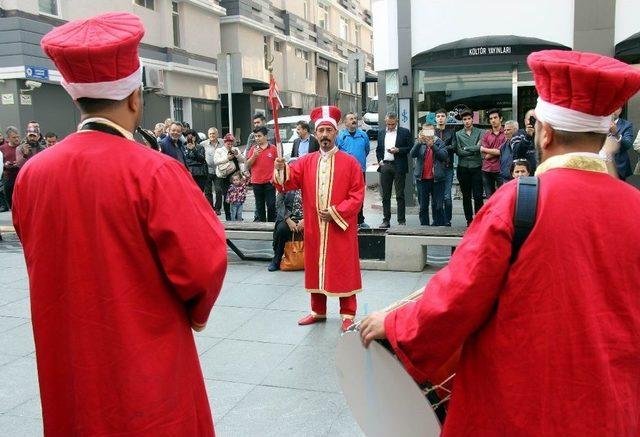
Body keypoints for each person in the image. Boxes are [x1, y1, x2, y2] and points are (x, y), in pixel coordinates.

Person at [359, 49, 640, 437]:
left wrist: (394, 323)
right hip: (614, 410)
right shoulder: (635, 207)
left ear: (545, 132)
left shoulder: (517, 199)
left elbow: (458, 296)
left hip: (522, 407)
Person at [12, 13, 227, 437]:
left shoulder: (32, 174)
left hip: (68, 355)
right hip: (144, 352)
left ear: (76, 99)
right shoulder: (155, 171)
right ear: (134, 98)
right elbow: (204, 262)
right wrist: (196, 314)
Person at [274, 105, 365, 332]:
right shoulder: (306, 161)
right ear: (316, 134)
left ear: (336, 133)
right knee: (314, 266)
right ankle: (318, 311)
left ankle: (347, 313)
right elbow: (288, 182)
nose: (325, 135)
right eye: (321, 131)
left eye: (329, 130)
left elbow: (357, 195)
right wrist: (281, 168)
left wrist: (336, 211)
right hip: (314, 227)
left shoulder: (350, 162)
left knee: (344, 268)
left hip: (340, 227)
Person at [376, 112, 412, 228]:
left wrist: (398, 150)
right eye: (389, 124)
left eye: (393, 124)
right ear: (385, 121)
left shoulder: (404, 132)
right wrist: (380, 160)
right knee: (385, 195)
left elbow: (410, 147)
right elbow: (378, 149)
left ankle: (401, 220)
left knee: (400, 194)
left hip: (399, 165)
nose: (391, 126)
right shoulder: (381, 132)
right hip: (385, 165)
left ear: (397, 121)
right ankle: (386, 220)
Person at [337, 112, 370, 228]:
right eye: (351, 119)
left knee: (359, 196)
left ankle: (360, 220)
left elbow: (366, 150)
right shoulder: (340, 136)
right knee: (345, 195)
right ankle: (347, 219)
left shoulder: (363, 135)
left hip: (360, 171)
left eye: (355, 118)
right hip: (345, 172)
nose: (354, 120)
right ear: (345, 123)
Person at [410, 126, 448, 226]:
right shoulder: (419, 142)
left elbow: (444, 156)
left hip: (437, 179)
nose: (428, 133)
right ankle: (424, 226)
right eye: (425, 130)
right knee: (423, 206)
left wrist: (433, 146)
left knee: (438, 206)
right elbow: (412, 154)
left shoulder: (439, 142)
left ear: (433, 131)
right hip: (422, 179)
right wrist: (419, 142)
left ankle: (438, 225)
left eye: (430, 130)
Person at [454, 109, 484, 226]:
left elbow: (480, 147)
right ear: (462, 121)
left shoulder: (480, 132)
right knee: (466, 196)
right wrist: (473, 149)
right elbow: (459, 151)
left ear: (472, 119)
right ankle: (469, 220)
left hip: (477, 167)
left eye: (469, 119)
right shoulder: (458, 134)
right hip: (463, 168)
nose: (467, 121)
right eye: (464, 119)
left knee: (478, 196)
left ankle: (479, 219)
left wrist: (467, 148)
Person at [246, 126, 278, 222]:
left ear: (265, 136)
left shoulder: (273, 148)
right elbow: (247, 165)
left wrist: (275, 177)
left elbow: (278, 165)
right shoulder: (253, 149)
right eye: (255, 136)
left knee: (271, 205)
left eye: (259, 136)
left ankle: (272, 225)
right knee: (259, 206)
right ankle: (262, 225)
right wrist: (254, 156)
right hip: (256, 182)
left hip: (270, 182)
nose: (257, 138)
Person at [268, 189, 303, 271]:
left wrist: (305, 219)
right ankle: (277, 259)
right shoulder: (286, 183)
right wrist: (288, 219)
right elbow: (279, 203)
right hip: (288, 217)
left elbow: (315, 202)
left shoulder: (311, 182)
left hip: (308, 217)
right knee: (282, 229)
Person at [214, 133, 245, 220]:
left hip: (236, 176)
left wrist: (237, 155)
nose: (230, 145)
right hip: (225, 177)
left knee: (238, 196)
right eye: (228, 143)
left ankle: (237, 216)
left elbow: (243, 160)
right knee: (227, 197)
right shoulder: (219, 150)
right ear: (224, 142)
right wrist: (227, 158)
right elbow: (216, 161)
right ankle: (228, 216)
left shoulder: (235, 149)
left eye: (231, 143)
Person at [434, 108, 456, 226]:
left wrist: (440, 148)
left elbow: (454, 147)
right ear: (435, 118)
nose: (440, 118)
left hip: (447, 166)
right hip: (435, 167)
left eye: (443, 116)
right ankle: (438, 219)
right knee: (436, 196)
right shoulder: (432, 132)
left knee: (447, 196)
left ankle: (448, 219)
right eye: (438, 116)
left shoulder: (451, 131)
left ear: (446, 118)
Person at [480, 108, 504, 197]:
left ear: (500, 118)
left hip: (500, 170)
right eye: (491, 119)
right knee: (490, 198)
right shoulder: (486, 134)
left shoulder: (506, 133)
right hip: (486, 169)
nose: (493, 120)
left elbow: (501, 151)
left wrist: (485, 149)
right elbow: (484, 156)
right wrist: (496, 151)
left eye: (495, 117)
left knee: (502, 197)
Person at [202, 127, 224, 213]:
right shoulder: (203, 144)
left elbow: (231, 143)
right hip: (207, 170)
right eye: (210, 134)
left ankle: (217, 208)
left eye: (213, 133)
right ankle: (210, 208)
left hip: (219, 170)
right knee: (207, 191)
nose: (212, 135)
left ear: (217, 134)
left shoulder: (222, 142)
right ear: (208, 135)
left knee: (218, 190)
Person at [610, 107, 634, 180]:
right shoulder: (600, 124)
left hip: (619, 167)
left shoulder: (627, 125)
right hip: (600, 165)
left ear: (620, 110)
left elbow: (627, 145)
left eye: (616, 107)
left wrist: (616, 134)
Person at [0, 126, 21, 209]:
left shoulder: (22, 147)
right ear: (8, 138)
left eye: (18, 136)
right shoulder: (2, 149)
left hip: (20, 176)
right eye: (14, 137)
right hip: (8, 178)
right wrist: (5, 164)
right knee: (11, 202)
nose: (16, 139)